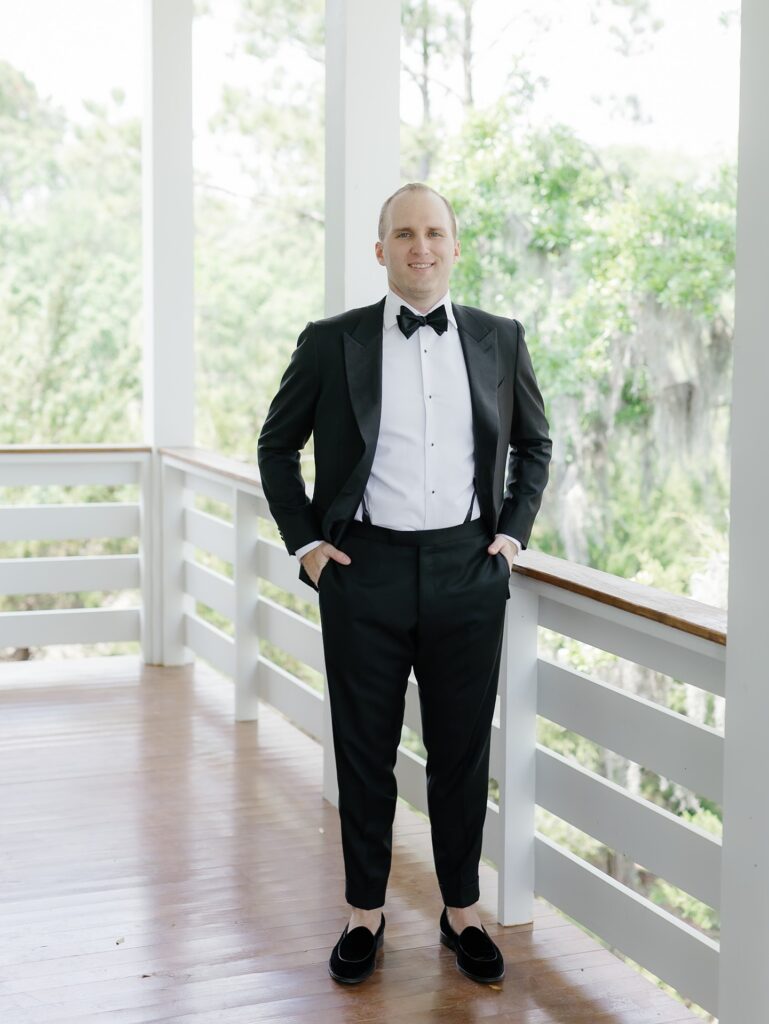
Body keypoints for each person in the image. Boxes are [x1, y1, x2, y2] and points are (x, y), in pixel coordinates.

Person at [257, 182, 552, 985]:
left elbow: (535, 442)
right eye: (403, 234)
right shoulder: (331, 341)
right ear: (380, 249)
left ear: (455, 246)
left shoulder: (499, 336)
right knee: (364, 751)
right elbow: (275, 447)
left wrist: (511, 536)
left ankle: (462, 912)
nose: (420, 247)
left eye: (434, 233)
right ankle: (364, 912)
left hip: (467, 571)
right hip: (364, 573)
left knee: (459, 751)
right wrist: (309, 547)